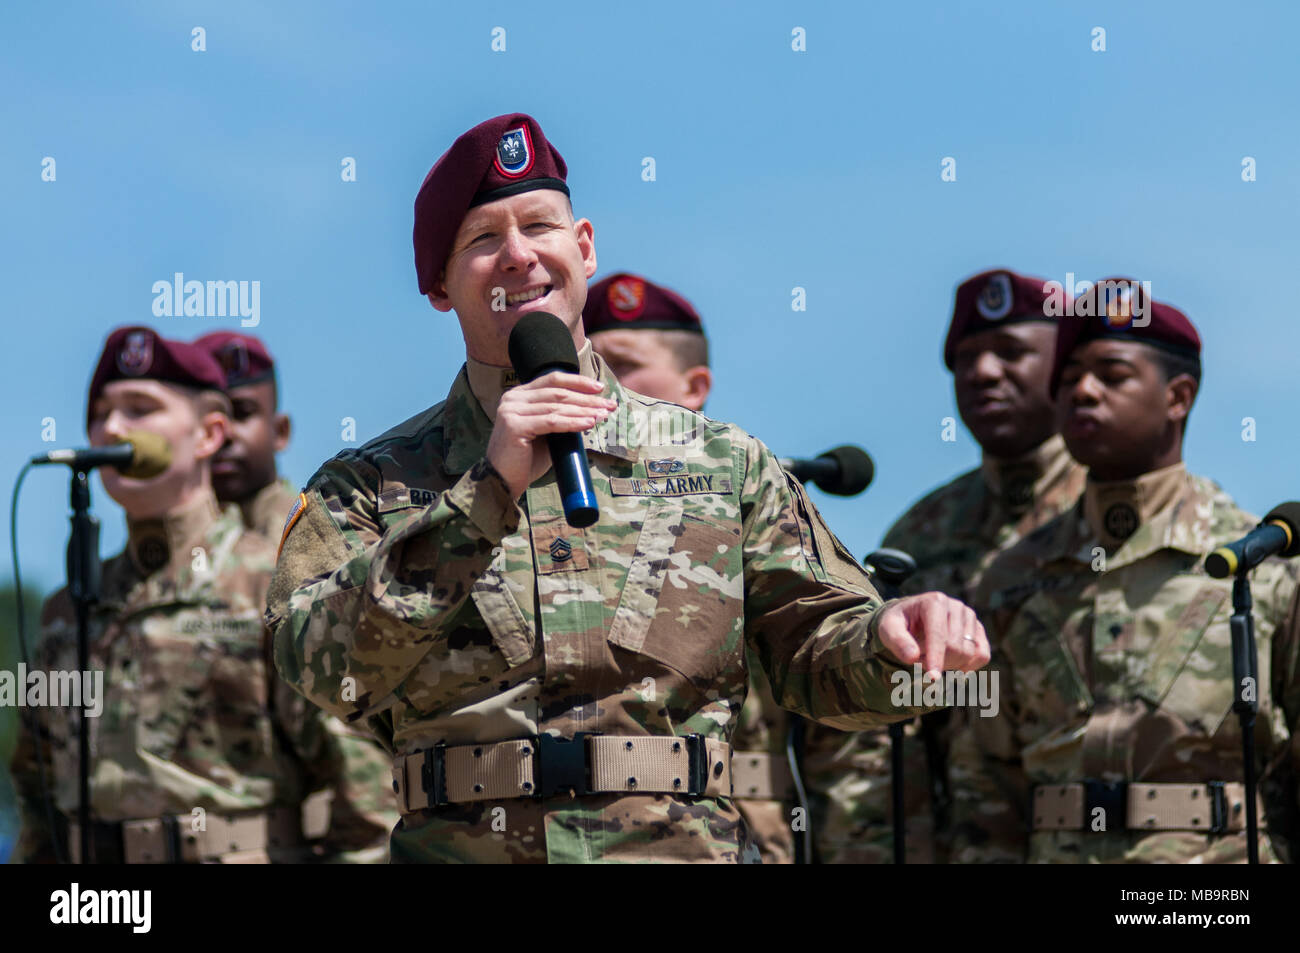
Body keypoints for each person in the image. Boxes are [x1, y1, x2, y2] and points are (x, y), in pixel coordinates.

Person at [267, 113, 989, 864]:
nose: (518, 256)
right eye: (482, 240)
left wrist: (892, 639)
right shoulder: (369, 484)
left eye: (538, 226)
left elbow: (816, 651)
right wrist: (484, 492)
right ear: (439, 286)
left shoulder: (722, 462)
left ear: (583, 247)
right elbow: (321, 667)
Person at [959, 279, 1300, 863]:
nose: (1082, 393)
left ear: (1177, 397)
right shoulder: (1009, 577)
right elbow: (985, 781)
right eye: (1067, 381)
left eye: (1111, 376)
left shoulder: (1261, 565)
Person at [11, 326, 344, 863]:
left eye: (140, 408)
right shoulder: (66, 611)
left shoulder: (274, 583)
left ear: (210, 434)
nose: (112, 428)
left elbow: (360, 784)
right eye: (100, 414)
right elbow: (35, 794)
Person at [801, 269, 1087, 863]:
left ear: (1066, 371)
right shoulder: (923, 532)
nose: (983, 373)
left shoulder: (1112, 520)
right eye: (966, 359)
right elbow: (873, 741)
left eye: (1011, 353)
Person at [583, 271, 797, 864]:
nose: (597, 383)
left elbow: (840, 734)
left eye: (621, 366)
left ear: (694, 385)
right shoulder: (536, 511)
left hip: (736, 835)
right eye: (586, 362)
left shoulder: (749, 507)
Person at [195, 330, 400, 863]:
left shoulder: (314, 543)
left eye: (242, 413)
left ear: (279, 429)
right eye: (207, 419)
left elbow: (362, 760)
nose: (224, 438)